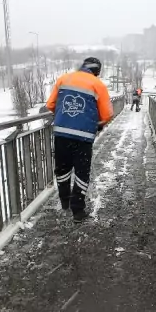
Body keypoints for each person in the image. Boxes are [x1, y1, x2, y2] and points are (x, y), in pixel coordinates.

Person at [45, 57, 113, 222]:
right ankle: (78, 211)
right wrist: (97, 124)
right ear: (97, 71)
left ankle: (65, 203)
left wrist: (63, 116)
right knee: (81, 172)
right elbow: (108, 114)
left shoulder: (64, 78)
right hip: (83, 137)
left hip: (61, 134)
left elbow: (50, 104)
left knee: (62, 170)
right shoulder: (98, 85)